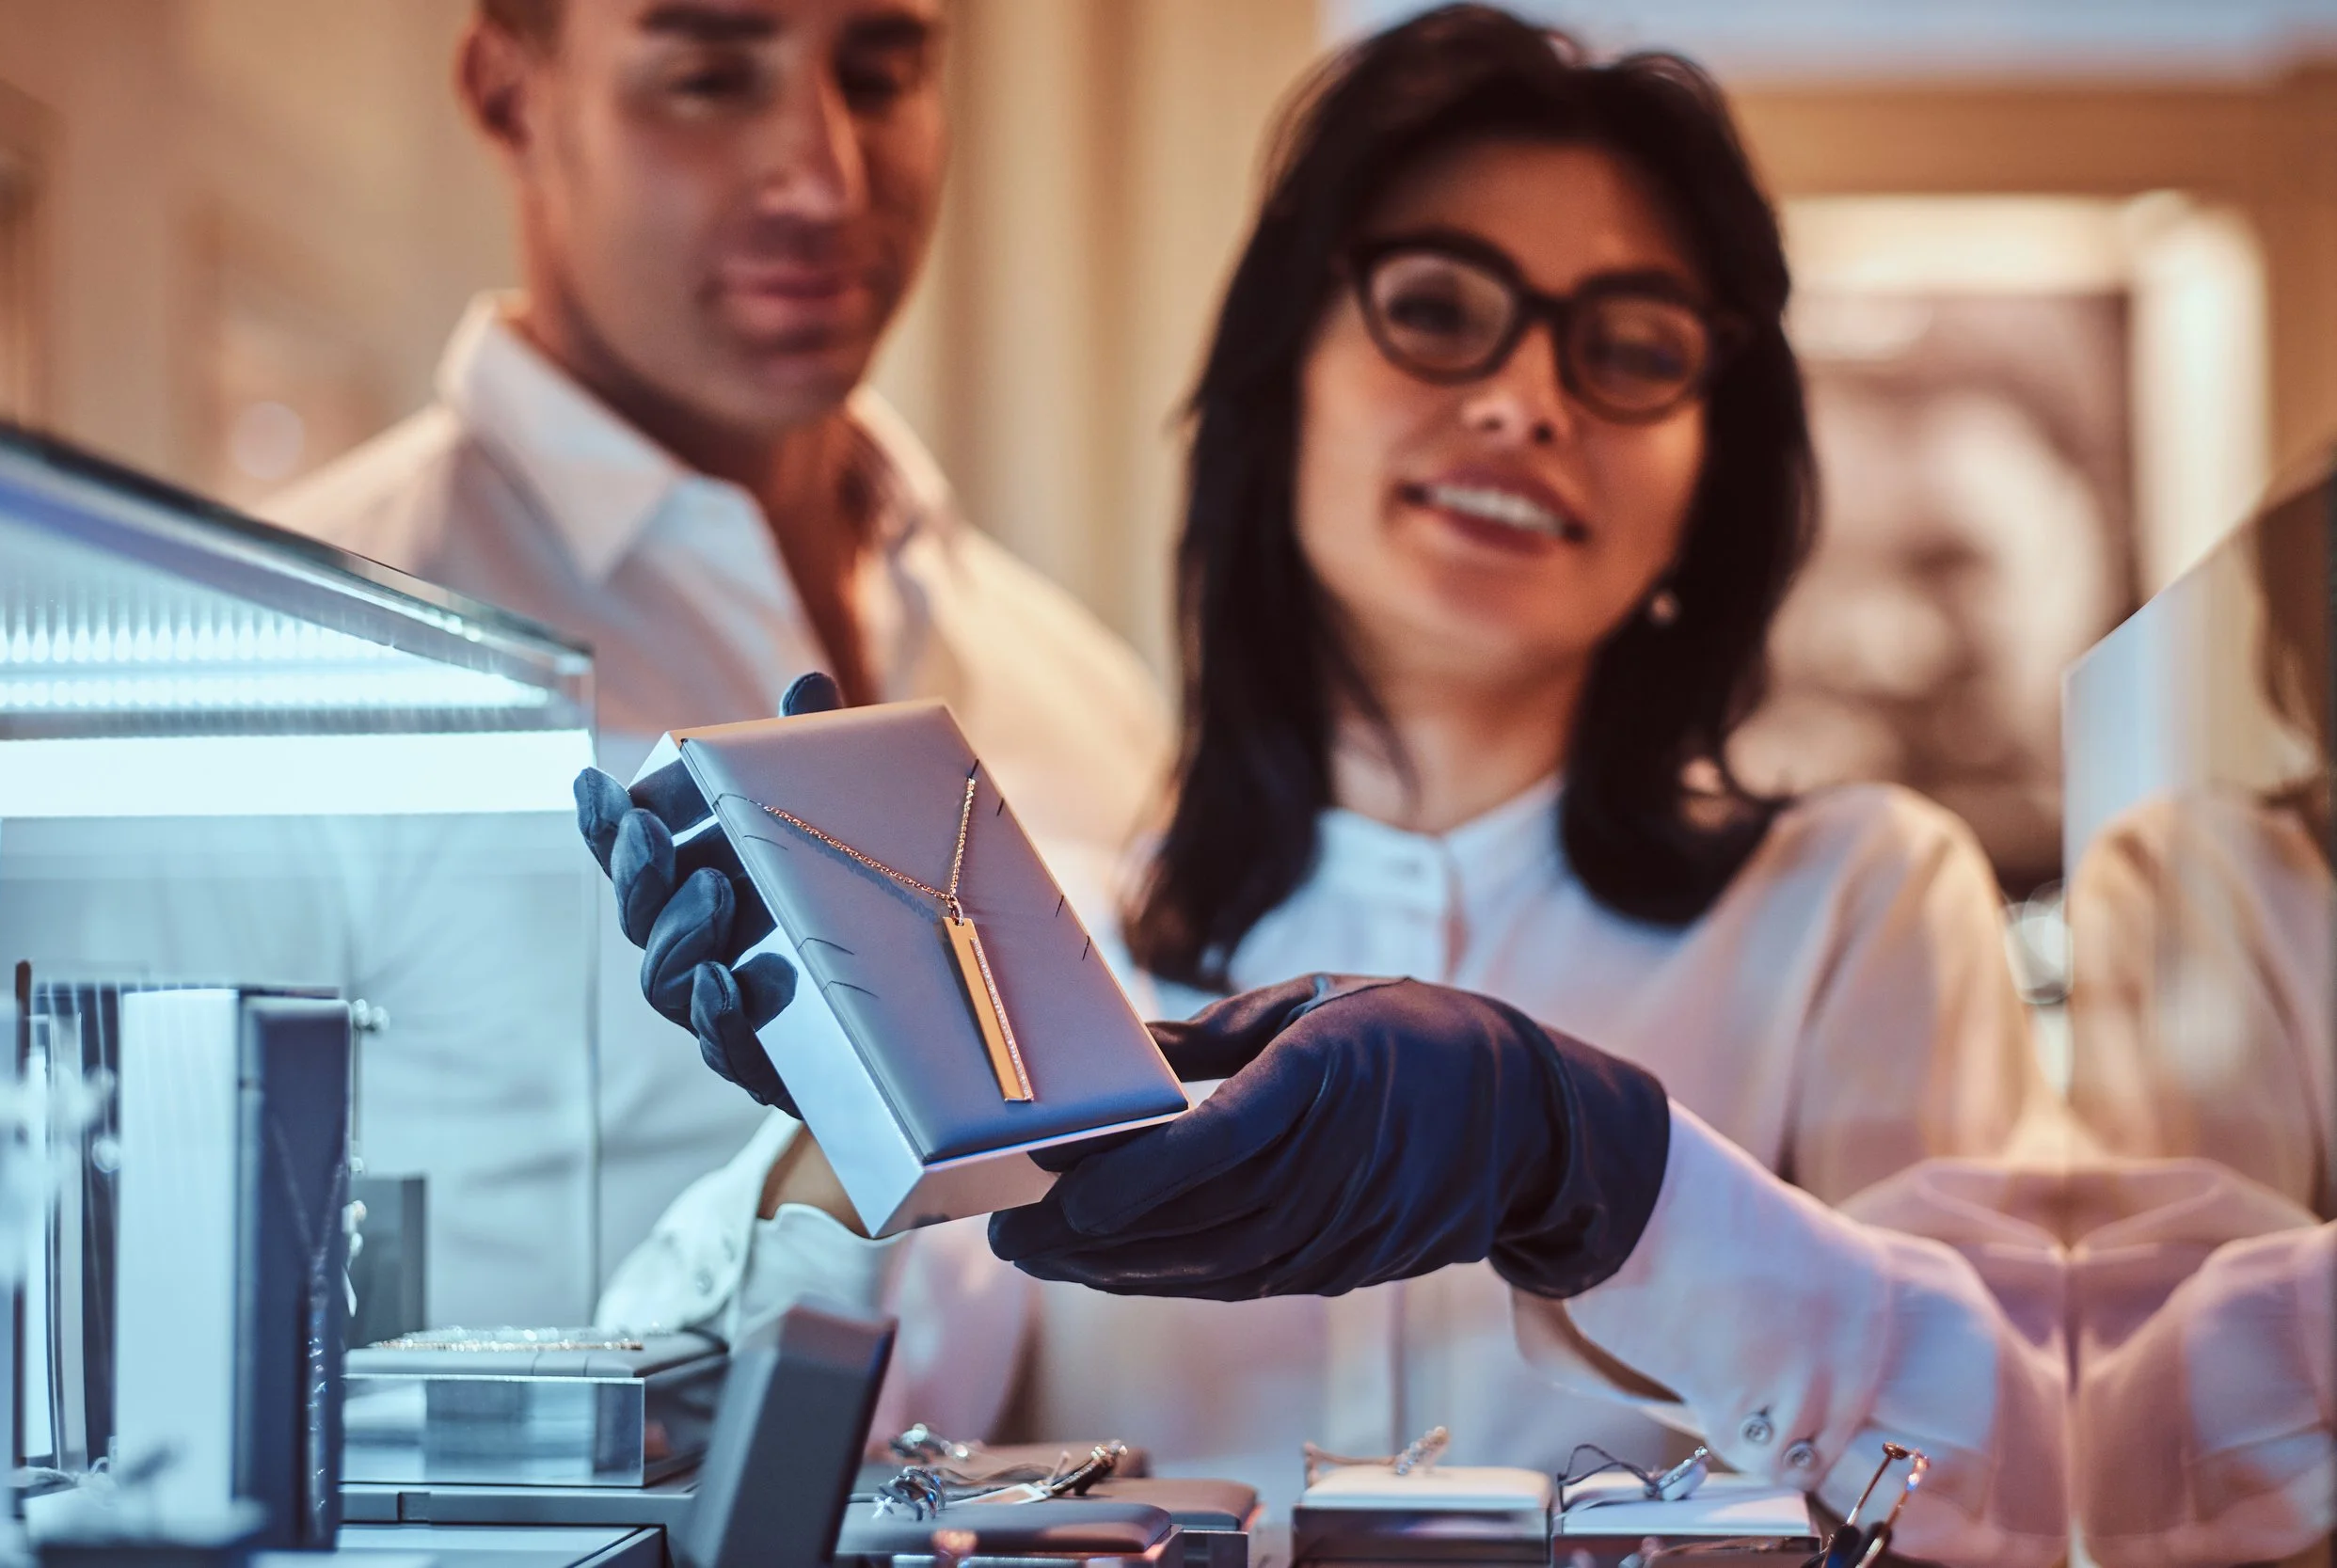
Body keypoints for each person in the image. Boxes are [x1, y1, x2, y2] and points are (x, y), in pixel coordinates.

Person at [585, 8, 2065, 1563]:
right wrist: (847, 1122)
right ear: (1281, 384)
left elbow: (2026, 1482)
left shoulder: (1862, 909)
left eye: (1630, 348)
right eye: (1438, 309)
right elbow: (706, 1473)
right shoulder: (1052, 923)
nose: (1526, 402)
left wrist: (1603, 1179)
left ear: (1716, 472)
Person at [263, 0, 1168, 1307]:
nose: (825, 178)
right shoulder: (298, 653)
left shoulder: (1091, 700)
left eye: (881, 70)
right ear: (510, 91)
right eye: (709, 76)